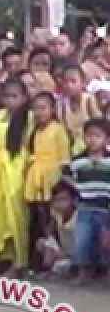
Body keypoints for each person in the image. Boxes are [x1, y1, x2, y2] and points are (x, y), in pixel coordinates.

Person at [0, 79, 33, 275]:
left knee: (15, 216)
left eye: (15, 97)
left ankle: (18, 261)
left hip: (16, 168)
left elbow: (30, 145)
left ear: (23, 97)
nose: (10, 101)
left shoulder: (29, 117)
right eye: (7, 96)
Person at [24, 91, 70, 264]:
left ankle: (56, 261)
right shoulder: (34, 131)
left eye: (43, 108)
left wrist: (59, 183)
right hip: (35, 181)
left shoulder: (58, 130)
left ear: (52, 109)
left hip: (52, 182)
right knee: (38, 223)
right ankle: (40, 263)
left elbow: (64, 159)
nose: (39, 112)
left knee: (52, 223)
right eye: (35, 108)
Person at [63, 118, 110, 284]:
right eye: (89, 135)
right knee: (82, 240)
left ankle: (104, 272)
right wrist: (77, 186)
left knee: (104, 242)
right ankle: (83, 273)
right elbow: (64, 172)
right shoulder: (79, 160)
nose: (93, 139)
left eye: (98, 136)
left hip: (105, 208)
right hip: (85, 207)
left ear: (106, 139)